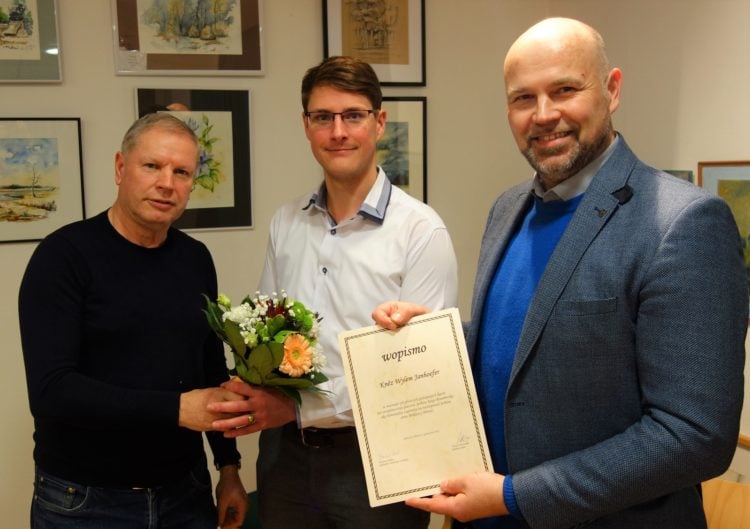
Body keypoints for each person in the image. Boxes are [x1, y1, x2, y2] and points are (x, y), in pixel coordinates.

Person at [373, 17, 748, 529]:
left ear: (612, 90)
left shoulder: (683, 223)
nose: (543, 115)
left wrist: (513, 496)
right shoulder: (507, 209)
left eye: (565, 90)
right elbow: (532, 346)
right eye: (523, 98)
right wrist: (435, 338)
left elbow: (694, 436)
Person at [207, 56, 459, 528]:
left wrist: (297, 406)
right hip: (285, 460)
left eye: (353, 116)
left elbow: (421, 374)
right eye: (323, 117)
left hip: (378, 462)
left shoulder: (421, 231)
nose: (337, 131)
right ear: (306, 126)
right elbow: (270, 334)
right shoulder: (287, 222)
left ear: (379, 122)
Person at [19, 113, 249, 529]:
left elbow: (209, 368)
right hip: (85, 501)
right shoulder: (63, 257)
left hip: (186, 492)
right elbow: (52, 391)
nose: (167, 183)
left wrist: (228, 468)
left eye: (182, 172)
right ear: (121, 168)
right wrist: (176, 409)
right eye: (152, 166)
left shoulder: (195, 259)